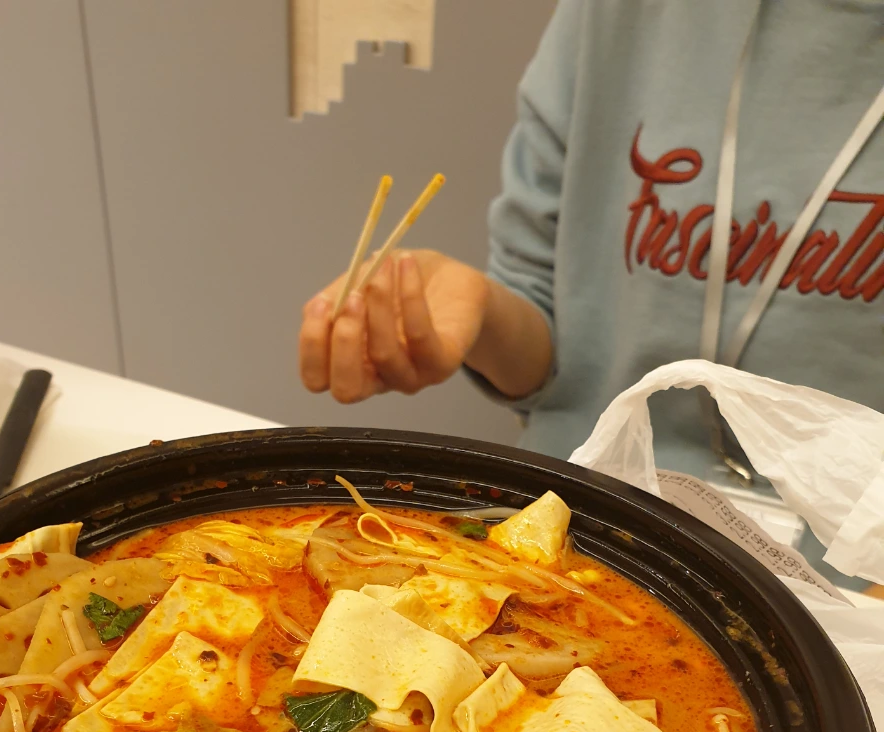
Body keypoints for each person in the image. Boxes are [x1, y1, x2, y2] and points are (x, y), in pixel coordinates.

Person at [299, 0, 883, 586]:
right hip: (575, 524)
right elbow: (551, 342)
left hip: (849, 576)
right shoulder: (613, 15)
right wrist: (483, 309)